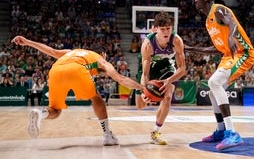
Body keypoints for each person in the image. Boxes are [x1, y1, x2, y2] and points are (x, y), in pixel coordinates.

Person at [12, 35, 145, 146]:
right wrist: (142, 88)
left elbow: (51, 51)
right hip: (77, 70)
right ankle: (107, 135)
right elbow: (120, 79)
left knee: (55, 110)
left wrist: (28, 42)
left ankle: (41, 113)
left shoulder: (72, 52)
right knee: (96, 98)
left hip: (56, 70)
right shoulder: (100, 60)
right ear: (103, 54)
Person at [185, 0, 254, 150]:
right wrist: (190, 48)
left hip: (243, 52)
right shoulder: (208, 22)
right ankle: (221, 130)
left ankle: (232, 133)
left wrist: (231, 37)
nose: (195, 0)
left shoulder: (218, 9)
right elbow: (218, 48)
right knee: (212, 91)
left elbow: (232, 23)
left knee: (214, 82)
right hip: (228, 56)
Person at [135, 11, 186, 145]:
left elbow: (182, 69)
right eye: (162, 29)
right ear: (156, 29)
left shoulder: (176, 41)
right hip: (149, 67)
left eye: (168, 28)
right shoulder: (148, 44)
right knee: (141, 105)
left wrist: (169, 81)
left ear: (172, 28)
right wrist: (144, 90)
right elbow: (145, 74)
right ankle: (142, 95)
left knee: (168, 96)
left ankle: (156, 131)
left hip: (166, 66)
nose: (165, 32)